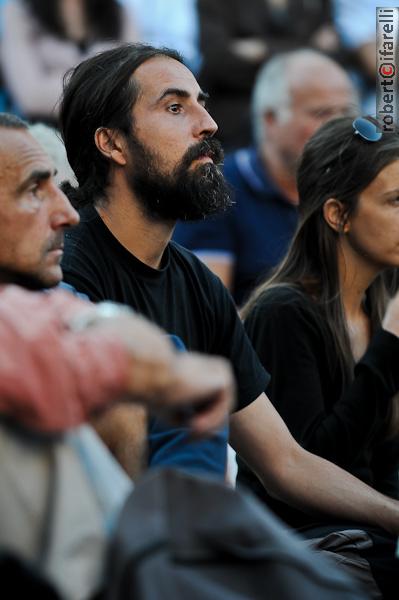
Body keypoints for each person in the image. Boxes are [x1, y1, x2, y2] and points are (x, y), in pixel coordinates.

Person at [59, 43, 399, 541]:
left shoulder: (197, 282)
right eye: (175, 107)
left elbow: (285, 463)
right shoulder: (68, 270)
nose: (209, 123)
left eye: (202, 102)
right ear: (113, 144)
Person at [240, 115, 399, 598]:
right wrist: (388, 350)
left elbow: (386, 458)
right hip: (306, 548)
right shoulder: (283, 312)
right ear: (338, 215)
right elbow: (312, 469)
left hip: (372, 540)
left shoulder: (378, 303)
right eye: (395, 202)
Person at [0, 111, 234, 437]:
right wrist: (164, 374)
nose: (68, 214)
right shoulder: (78, 260)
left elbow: (79, 319)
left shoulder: (197, 278)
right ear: (111, 144)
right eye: (34, 191)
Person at [174, 49, 358, 305]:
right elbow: (207, 317)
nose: (341, 127)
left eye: (347, 113)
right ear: (270, 118)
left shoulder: (357, 187)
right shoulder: (215, 188)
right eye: (322, 113)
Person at [0, 0, 137, 124]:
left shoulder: (120, 13)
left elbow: (135, 82)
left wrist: (55, 80)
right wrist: (109, 87)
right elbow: (32, 97)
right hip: (47, 134)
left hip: (110, 130)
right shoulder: (20, 10)